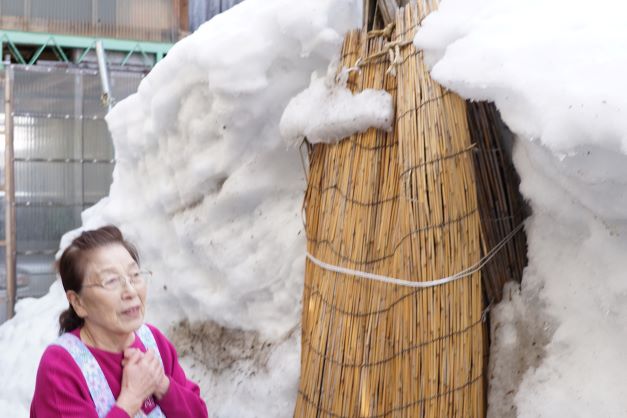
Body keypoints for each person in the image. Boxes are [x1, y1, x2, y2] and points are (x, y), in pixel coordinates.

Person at [30, 225, 208, 418]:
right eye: (111, 281)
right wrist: (131, 399)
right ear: (78, 302)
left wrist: (161, 384)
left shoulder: (154, 342)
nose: (131, 291)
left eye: (135, 275)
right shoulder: (61, 366)